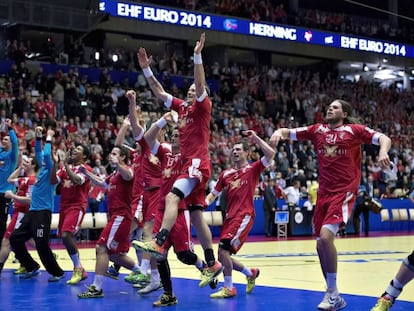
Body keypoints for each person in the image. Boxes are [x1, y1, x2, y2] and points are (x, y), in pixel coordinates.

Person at [270, 99, 391, 310]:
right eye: (329, 106)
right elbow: (291, 132)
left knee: (326, 238)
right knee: (320, 245)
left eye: (335, 107)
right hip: (323, 194)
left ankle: (332, 293)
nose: (329, 109)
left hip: (343, 192)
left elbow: (384, 138)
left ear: (344, 113)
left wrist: (382, 152)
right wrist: (280, 132)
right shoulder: (317, 130)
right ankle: (334, 294)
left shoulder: (354, 130)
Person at [135, 32, 222, 287]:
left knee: (172, 197)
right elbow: (159, 92)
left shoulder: (202, 107)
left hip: (197, 164)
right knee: (196, 216)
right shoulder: (181, 108)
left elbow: (199, 80)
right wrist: (147, 70)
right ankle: (210, 262)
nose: (193, 90)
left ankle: (160, 240)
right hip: (188, 165)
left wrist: (197, 55)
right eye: (190, 89)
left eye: (197, 89)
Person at [142, 112, 215, 305]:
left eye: (178, 135)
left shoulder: (189, 156)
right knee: (159, 254)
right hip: (161, 209)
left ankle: (204, 267)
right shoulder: (165, 151)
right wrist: (161, 121)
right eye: (172, 135)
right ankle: (168, 294)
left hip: (181, 211)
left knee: (183, 255)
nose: (175, 138)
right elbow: (147, 138)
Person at [205, 130, 275, 298]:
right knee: (224, 256)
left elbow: (271, 154)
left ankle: (229, 288)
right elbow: (213, 194)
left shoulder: (253, 169)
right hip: (230, 217)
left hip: (244, 215)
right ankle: (250, 273)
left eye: (239, 149)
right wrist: (201, 205)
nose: (235, 152)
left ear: (247, 153)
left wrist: (256, 138)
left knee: (222, 252)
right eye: (233, 150)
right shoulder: (226, 174)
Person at [77, 144, 143, 298]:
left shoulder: (126, 171)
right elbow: (102, 183)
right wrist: (86, 172)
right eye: (111, 153)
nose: (110, 156)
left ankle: (96, 288)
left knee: (101, 247)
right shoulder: (114, 175)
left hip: (121, 217)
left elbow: (129, 175)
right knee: (113, 254)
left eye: (115, 154)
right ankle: (141, 272)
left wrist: (119, 164)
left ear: (122, 157)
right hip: (116, 217)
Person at [9, 127, 65, 282]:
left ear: (56, 160)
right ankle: (31, 266)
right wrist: (39, 137)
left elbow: (46, 154)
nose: (48, 156)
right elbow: (39, 152)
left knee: (41, 244)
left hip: (43, 213)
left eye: (54, 155)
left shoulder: (53, 172)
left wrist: (48, 136)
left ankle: (57, 272)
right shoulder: (42, 170)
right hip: (32, 212)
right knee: (15, 239)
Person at [50, 141, 92, 285]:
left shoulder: (86, 169)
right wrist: (56, 164)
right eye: (74, 148)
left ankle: (78, 269)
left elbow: (77, 180)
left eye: (78, 149)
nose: (74, 150)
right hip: (64, 207)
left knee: (66, 234)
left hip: (77, 206)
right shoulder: (63, 169)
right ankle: (80, 268)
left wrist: (65, 165)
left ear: (84, 155)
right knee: (65, 238)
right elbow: (52, 181)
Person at [0, 155, 38, 277]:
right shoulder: (24, 179)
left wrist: (13, 196)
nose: (25, 163)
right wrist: (19, 168)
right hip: (17, 212)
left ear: (33, 165)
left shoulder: (32, 180)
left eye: (27, 162)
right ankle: (30, 264)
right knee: (20, 240)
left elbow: (30, 200)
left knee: (7, 241)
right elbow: (10, 180)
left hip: (22, 213)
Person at [0, 118, 19, 248]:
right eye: (3, 139)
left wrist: (10, 128)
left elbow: (16, 142)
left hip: (5, 194)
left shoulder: (12, 156)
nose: (3, 141)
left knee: (2, 222)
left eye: (6, 140)